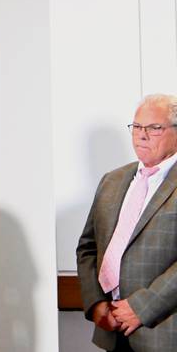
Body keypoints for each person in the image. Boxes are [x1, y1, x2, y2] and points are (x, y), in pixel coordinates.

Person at [77, 94, 177, 352]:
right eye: (137, 126)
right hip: (111, 332)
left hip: (163, 332)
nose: (141, 135)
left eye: (154, 128)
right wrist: (96, 303)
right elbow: (88, 247)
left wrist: (142, 308)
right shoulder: (113, 180)